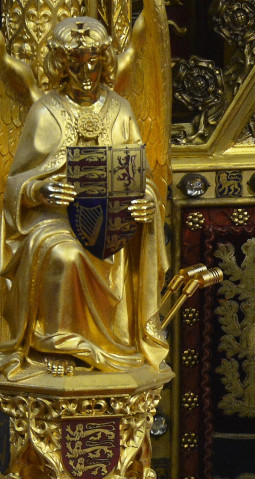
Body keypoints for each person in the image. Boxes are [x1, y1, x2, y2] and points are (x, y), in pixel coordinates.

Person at [0, 17, 169, 379]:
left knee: (115, 249)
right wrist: (38, 189)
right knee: (67, 255)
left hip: (112, 223)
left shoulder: (120, 109)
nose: (87, 72)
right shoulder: (45, 111)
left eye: (94, 61)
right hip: (55, 221)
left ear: (106, 62)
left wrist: (147, 202)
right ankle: (57, 345)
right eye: (76, 64)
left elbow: (142, 175)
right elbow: (15, 183)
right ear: (61, 66)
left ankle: (118, 345)